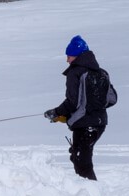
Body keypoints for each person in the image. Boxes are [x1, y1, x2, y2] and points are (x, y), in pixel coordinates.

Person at [44, 35, 115, 180]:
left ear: (77, 56)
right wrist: (92, 109)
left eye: (69, 56)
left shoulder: (75, 73)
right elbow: (112, 99)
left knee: (82, 164)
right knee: (80, 159)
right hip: (100, 124)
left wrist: (56, 112)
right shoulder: (102, 73)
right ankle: (87, 195)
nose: (67, 60)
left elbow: (73, 102)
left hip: (84, 125)